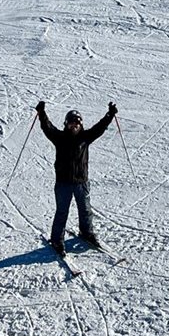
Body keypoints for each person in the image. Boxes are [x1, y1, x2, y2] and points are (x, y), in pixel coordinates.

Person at [36, 101, 117, 255]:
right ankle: (57, 240)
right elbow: (47, 127)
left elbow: (99, 128)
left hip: (82, 182)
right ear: (66, 124)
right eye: (72, 123)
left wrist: (110, 115)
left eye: (77, 123)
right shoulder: (59, 138)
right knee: (62, 212)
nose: (75, 125)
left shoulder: (86, 137)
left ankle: (86, 233)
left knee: (85, 210)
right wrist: (42, 113)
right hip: (63, 183)